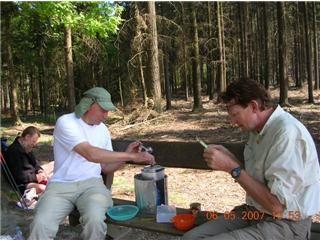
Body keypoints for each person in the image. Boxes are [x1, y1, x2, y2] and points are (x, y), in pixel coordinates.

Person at [183, 79, 320, 240]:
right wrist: (231, 159)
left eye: (235, 114)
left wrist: (233, 168)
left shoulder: (286, 133)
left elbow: (277, 207)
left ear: (254, 106)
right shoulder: (257, 131)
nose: (232, 121)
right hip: (253, 212)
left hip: (286, 222)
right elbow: (261, 183)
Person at [29, 87, 155, 240]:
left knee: (95, 221)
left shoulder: (103, 130)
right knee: (41, 223)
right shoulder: (66, 122)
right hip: (61, 185)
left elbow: (106, 167)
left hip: (92, 185)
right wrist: (131, 156)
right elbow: (90, 153)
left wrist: (127, 157)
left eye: (108, 111)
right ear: (88, 105)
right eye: (103, 110)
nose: (106, 115)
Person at [5, 126, 49, 195]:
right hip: (23, 184)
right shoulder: (13, 151)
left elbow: (35, 163)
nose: (34, 144)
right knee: (44, 189)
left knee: (53, 167)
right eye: (33, 141)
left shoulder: (26, 147)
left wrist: (40, 170)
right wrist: (36, 177)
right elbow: (19, 176)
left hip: (33, 176)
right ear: (27, 137)